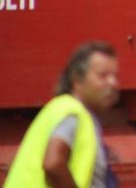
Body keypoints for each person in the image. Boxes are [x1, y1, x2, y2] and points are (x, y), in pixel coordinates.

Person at [4, 41, 120, 188]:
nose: (113, 83)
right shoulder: (71, 113)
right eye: (103, 76)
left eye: (115, 76)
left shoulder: (65, 110)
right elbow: (53, 164)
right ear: (77, 78)